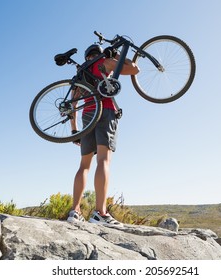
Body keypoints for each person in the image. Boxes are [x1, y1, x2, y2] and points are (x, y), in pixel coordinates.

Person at [67, 44, 139, 225]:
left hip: (87, 116)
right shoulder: (105, 62)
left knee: (84, 166)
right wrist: (117, 55)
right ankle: (100, 212)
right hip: (105, 111)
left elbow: (72, 105)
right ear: (98, 53)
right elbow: (134, 69)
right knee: (103, 161)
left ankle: (75, 211)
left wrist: (74, 130)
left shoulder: (81, 72)